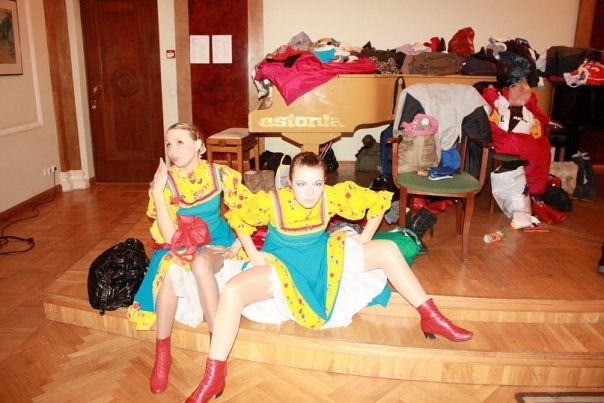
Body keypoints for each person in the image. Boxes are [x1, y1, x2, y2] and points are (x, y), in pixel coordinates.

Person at [185, 152, 473, 402]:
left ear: (325, 181)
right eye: (301, 184)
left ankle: (431, 316)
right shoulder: (273, 201)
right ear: (289, 183)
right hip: (281, 264)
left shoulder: (331, 196)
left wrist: (365, 238)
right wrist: (254, 254)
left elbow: (378, 202)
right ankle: (215, 375)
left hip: (322, 260)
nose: (310, 193)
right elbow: (240, 217)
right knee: (233, 290)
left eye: (317, 184)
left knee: (386, 249)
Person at [127, 122, 249, 395]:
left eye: (180, 142)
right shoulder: (166, 182)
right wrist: (157, 193)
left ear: (199, 146)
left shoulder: (220, 174)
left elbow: (248, 213)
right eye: (169, 144)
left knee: (200, 262)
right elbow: (170, 237)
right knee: (170, 272)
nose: (173, 149)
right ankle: (162, 355)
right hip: (179, 243)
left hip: (217, 242)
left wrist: (234, 247)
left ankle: (216, 359)